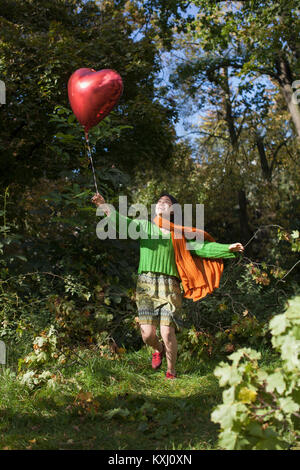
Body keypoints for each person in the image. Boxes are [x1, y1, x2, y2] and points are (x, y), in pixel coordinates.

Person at [91, 191, 244, 379]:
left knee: (167, 330)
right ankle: (158, 349)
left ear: (172, 210)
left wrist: (226, 247)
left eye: (166, 202)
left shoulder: (178, 235)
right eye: (159, 201)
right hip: (146, 285)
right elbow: (123, 223)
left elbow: (202, 248)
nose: (161, 204)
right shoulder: (145, 227)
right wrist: (103, 205)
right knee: (147, 335)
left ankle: (171, 372)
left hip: (170, 286)